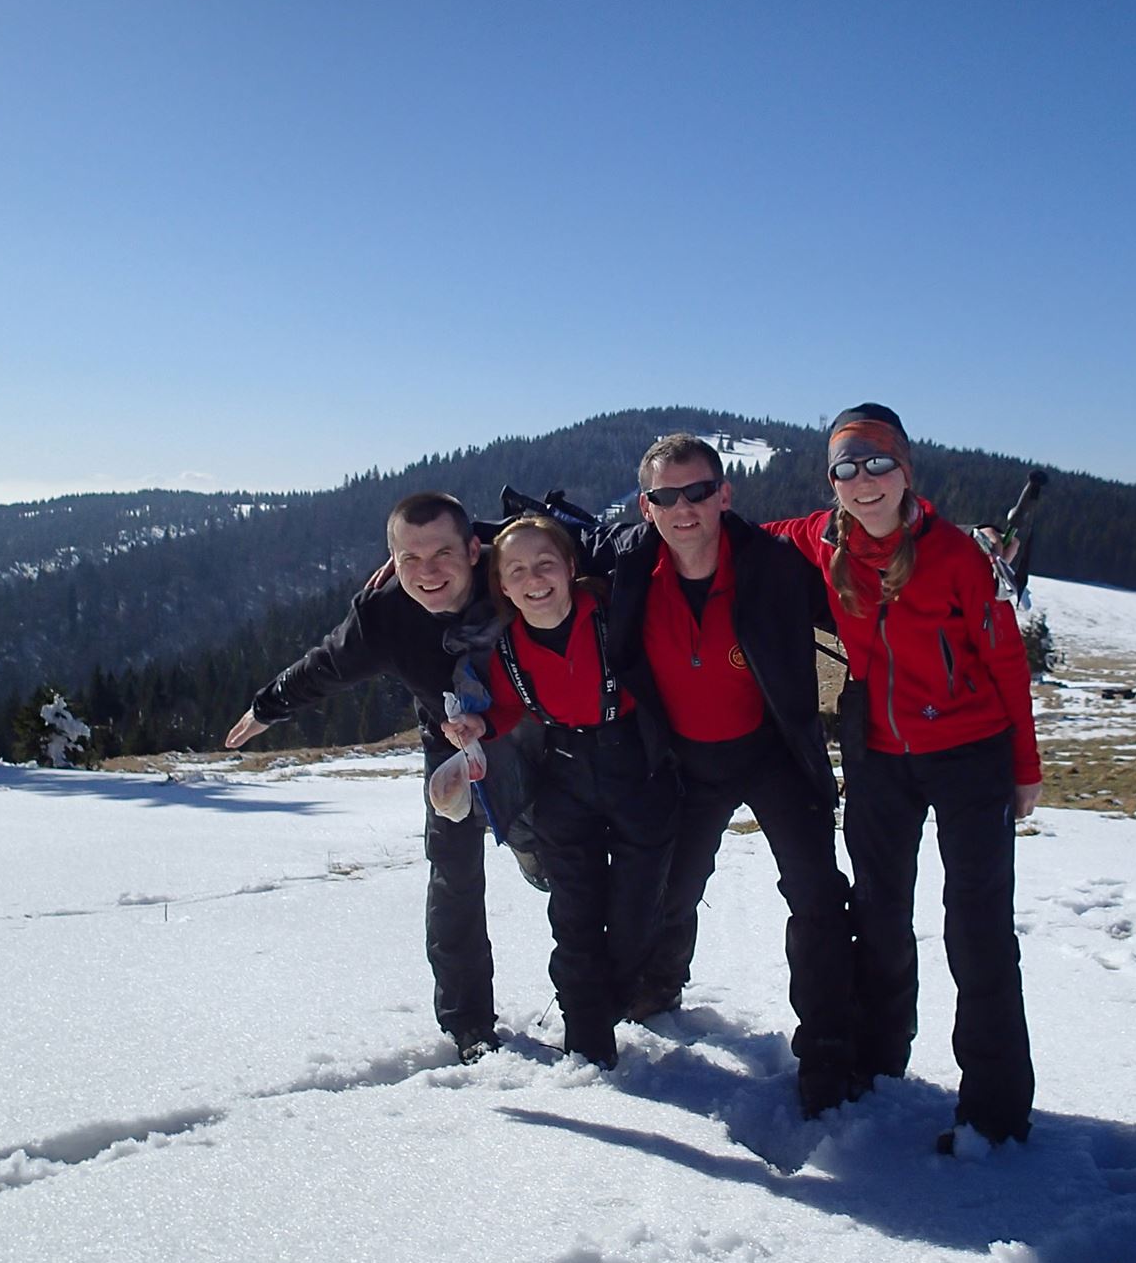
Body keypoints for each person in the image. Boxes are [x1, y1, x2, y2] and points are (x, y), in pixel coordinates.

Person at [764, 403, 1043, 1152]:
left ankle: (995, 1113)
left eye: (878, 462)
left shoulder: (957, 556)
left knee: (978, 928)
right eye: (846, 468)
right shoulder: (823, 539)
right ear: (831, 481)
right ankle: (878, 1061)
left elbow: (1006, 661)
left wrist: (1025, 767)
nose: (864, 480)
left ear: (906, 470)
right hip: (879, 757)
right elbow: (746, 538)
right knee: (880, 913)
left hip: (971, 753)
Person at [587, 433, 859, 1118]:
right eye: (666, 496)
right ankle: (656, 992)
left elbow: (862, 590)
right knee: (671, 891)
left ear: (724, 494)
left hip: (774, 754)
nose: (683, 508)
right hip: (684, 761)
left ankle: (828, 1047)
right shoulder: (627, 563)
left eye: (698, 491)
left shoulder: (775, 565)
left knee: (816, 897)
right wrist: (448, 550)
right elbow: (537, 550)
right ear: (646, 506)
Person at [225, 491, 538, 1066]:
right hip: (450, 737)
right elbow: (327, 663)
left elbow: (587, 556)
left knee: (557, 854)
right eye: (410, 559)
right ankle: (469, 1024)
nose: (427, 573)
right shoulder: (385, 616)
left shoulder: (517, 569)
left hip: (536, 726)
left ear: (473, 550)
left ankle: (601, 987)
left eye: (442, 554)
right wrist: (268, 707)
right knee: (453, 870)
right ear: (392, 561)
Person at [448, 514, 679, 1070]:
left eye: (546, 564)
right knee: (574, 916)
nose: (534, 579)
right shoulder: (505, 648)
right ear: (502, 586)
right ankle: (587, 1045)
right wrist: (482, 725)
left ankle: (614, 998)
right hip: (565, 776)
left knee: (635, 914)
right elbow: (509, 707)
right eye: (517, 571)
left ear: (571, 566)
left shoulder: (614, 616)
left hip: (637, 769)